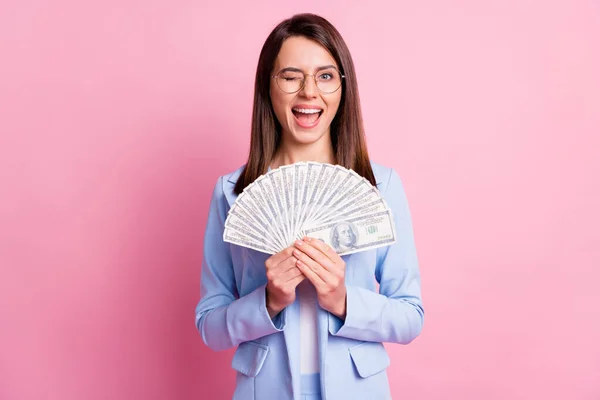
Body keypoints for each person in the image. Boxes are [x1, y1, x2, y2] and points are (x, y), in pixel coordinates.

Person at [195, 13, 424, 400]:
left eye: (325, 76)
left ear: (342, 87)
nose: (309, 92)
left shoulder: (381, 186)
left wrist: (343, 300)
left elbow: (410, 316)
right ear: (268, 86)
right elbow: (210, 326)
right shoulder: (232, 192)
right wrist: (267, 301)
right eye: (290, 76)